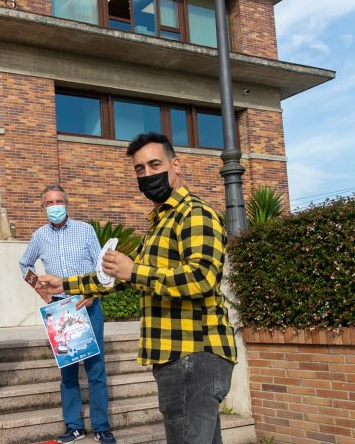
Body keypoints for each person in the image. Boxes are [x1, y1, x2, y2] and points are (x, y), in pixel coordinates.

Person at [37, 133, 237, 444]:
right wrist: (64, 283)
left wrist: (135, 270)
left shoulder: (194, 213)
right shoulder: (160, 222)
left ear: (176, 165)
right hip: (175, 355)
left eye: (154, 164)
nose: (147, 175)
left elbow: (200, 278)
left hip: (194, 353)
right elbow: (117, 277)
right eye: (140, 169)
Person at [19, 185, 116, 444]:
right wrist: (41, 291)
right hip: (60, 310)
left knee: (96, 369)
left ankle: (102, 426)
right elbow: (24, 263)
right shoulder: (39, 236)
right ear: (43, 207)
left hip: (87, 305)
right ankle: (74, 426)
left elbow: (102, 265)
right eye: (50, 203)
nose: (55, 206)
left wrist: (94, 293)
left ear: (67, 203)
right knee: (68, 372)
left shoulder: (85, 230)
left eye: (59, 201)